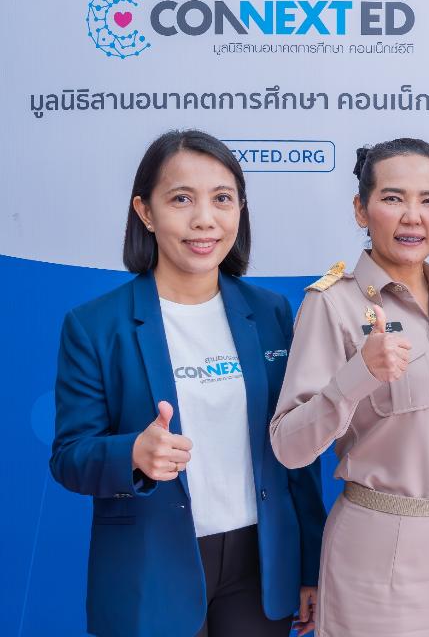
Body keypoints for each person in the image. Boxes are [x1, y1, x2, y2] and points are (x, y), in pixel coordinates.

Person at [50, 129, 325, 637]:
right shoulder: (95, 326)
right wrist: (133, 453)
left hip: (260, 566)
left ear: (240, 209)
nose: (204, 219)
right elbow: (69, 457)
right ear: (145, 211)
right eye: (181, 199)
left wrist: (311, 565)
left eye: (222, 199)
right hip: (152, 567)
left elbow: (297, 449)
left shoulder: (270, 313)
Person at [269, 138, 429, 637]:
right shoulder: (332, 305)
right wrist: (357, 374)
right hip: (378, 561)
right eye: (392, 198)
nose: (413, 217)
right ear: (361, 210)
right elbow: (289, 447)